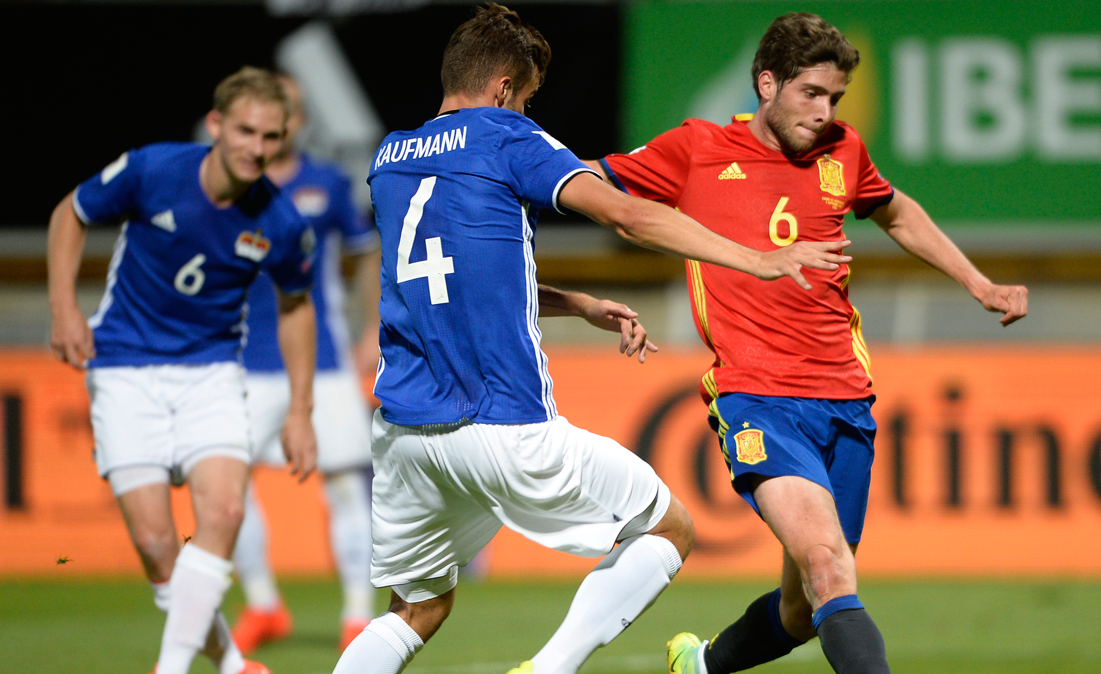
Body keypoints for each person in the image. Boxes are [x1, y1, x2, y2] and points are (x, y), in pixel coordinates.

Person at [331, 5, 853, 674]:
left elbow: (448, 280)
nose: (525, 111)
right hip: (499, 420)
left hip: (405, 432)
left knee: (416, 609)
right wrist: (757, 259)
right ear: (501, 88)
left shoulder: (391, 158)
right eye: (526, 98)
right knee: (668, 528)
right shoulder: (506, 136)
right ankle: (550, 668)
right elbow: (630, 216)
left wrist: (574, 304)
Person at [590, 12, 1029, 674]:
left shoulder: (843, 152)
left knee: (803, 610)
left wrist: (978, 282)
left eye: (835, 99)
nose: (825, 113)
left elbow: (898, 211)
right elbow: (594, 190)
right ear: (766, 83)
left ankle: (702, 665)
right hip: (757, 398)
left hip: (845, 401)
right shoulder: (698, 147)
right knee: (829, 567)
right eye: (811, 94)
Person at [47, 67, 319, 674]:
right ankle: (232, 664)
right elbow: (71, 212)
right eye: (245, 131)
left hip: (211, 371)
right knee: (157, 548)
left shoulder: (280, 221)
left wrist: (301, 411)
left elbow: (297, 308)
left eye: (271, 137)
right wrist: (65, 309)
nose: (257, 148)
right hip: (122, 368)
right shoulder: (153, 169)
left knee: (223, 513)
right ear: (216, 125)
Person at [231, 73, 381, 655]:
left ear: (298, 119)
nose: (280, 123)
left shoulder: (326, 182)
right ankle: (265, 604)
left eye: (289, 111)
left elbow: (366, 254)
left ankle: (356, 615)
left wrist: (370, 328)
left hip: (321, 360)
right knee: (225, 487)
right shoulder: (230, 185)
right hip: (242, 361)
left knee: (344, 484)